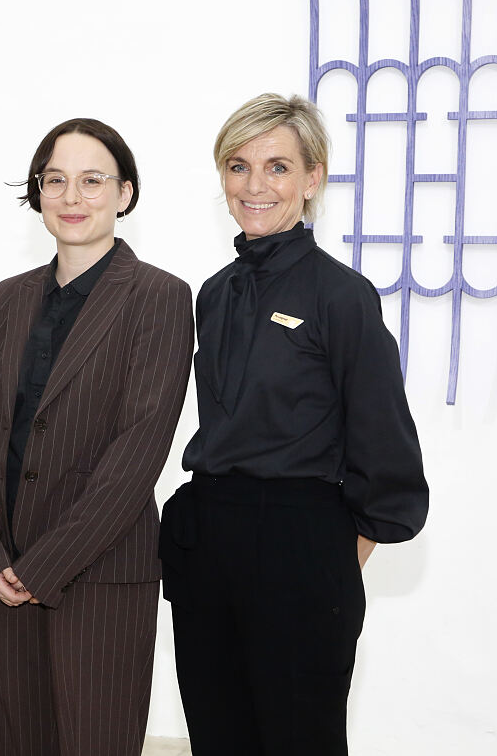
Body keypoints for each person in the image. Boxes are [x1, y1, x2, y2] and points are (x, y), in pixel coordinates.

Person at [160, 93, 429, 755]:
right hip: (209, 540)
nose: (256, 185)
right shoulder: (215, 293)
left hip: (301, 547)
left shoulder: (343, 296)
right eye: (239, 165)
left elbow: (385, 448)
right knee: (218, 739)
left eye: (278, 167)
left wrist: (332, 560)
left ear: (313, 178)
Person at [0, 118, 193, 756]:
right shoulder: (7, 298)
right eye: (55, 180)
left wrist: (43, 567)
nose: (71, 196)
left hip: (102, 579)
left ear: (125, 193)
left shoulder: (161, 297)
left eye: (93, 181)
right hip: (2, 579)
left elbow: (137, 454)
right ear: (36, 193)